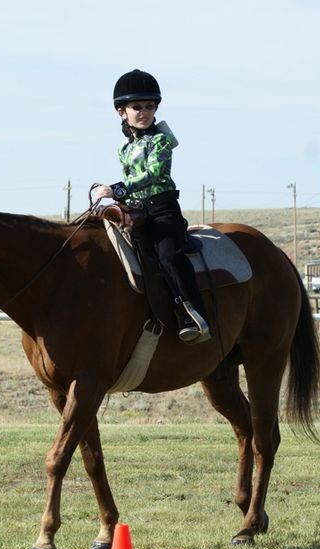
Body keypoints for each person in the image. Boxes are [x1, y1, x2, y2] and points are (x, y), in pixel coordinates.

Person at [95, 69, 210, 344]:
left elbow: (154, 173)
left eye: (149, 106)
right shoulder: (123, 149)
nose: (144, 112)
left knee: (168, 254)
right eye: (137, 107)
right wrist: (114, 203)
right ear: (121, 112)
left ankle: (192, 313)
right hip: (137, 212)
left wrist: (117, 189)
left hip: (162, 210)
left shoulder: (161, 141)